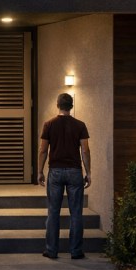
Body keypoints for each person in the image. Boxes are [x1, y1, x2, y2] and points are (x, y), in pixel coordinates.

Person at [37, 92, 90, 259]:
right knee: (76, 213)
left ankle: (52, 250)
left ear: (58, 105)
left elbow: (43, 150)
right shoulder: (80, 125)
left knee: (53, 212)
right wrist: (88, 173)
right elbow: (85, 150)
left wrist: (39, 171)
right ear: (71, 106)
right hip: (75, 172)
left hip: (55, 172)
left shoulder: (49, 124)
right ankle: (76, 251)